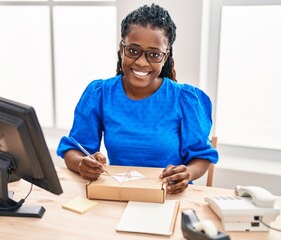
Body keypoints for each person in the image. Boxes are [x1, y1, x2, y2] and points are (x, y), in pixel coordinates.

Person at [56, 3, 218, 194]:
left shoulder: (185, 99)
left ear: (165, 57)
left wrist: (188, 173)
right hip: (118, 194)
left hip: (169, 197)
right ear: (121, 49)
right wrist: (82, 164)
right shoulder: (99, 93)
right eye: (133, 50)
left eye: (154, 54)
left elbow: (202, 157)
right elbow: (74, 150)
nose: (141, 62)